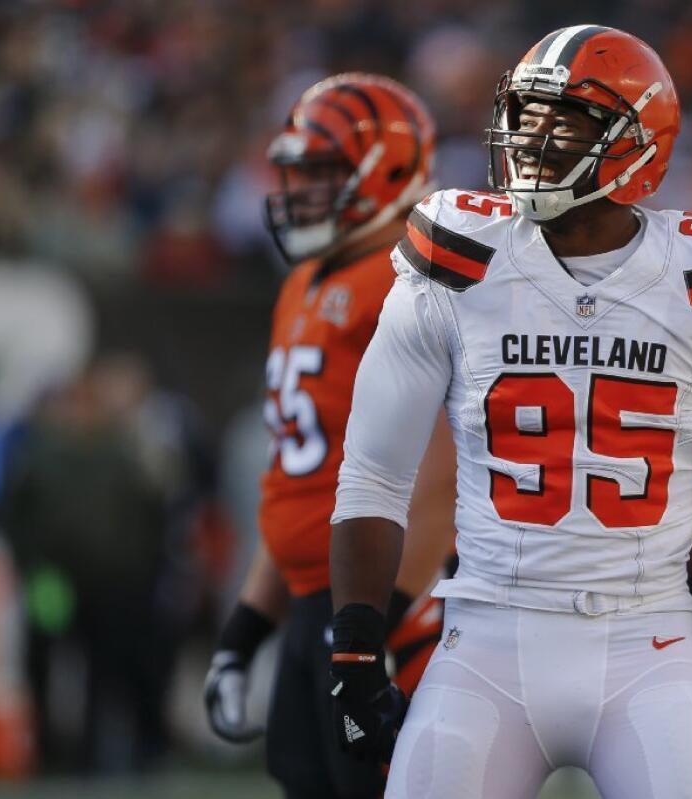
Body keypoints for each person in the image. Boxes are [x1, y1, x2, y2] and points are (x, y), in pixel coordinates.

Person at [329, 26, 692, 799]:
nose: (531, 137)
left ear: (638, 144)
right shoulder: (456, 253)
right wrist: (353, 653)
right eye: (524, 112)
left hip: (653, 639)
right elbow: (374, 473)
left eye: (566, 118)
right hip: (486, 638)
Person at [203, 73, 456, 799]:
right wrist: (245, 632)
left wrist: (378, 626)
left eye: (325, 171)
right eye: (300, 171)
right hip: (322, 606)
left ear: (389, 170)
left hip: (388, 604)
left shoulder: (408, 280)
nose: (303, 189)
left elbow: (440, 480)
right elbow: (299, 487)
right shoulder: (304, 281)